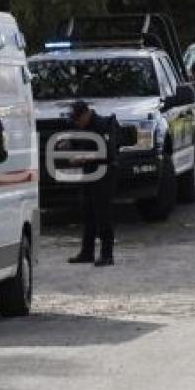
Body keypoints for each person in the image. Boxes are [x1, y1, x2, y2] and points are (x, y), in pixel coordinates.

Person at [66, 101, 120, 267]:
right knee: (88, 212)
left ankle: (107, 254)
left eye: (78, 118)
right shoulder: (83, 127)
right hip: (89, 174)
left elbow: (108, 153)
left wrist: (83, 157)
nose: (77, 122)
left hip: (104, 173)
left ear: (87, 113)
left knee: (103, 214)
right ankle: (87, 252)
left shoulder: (102, 125)